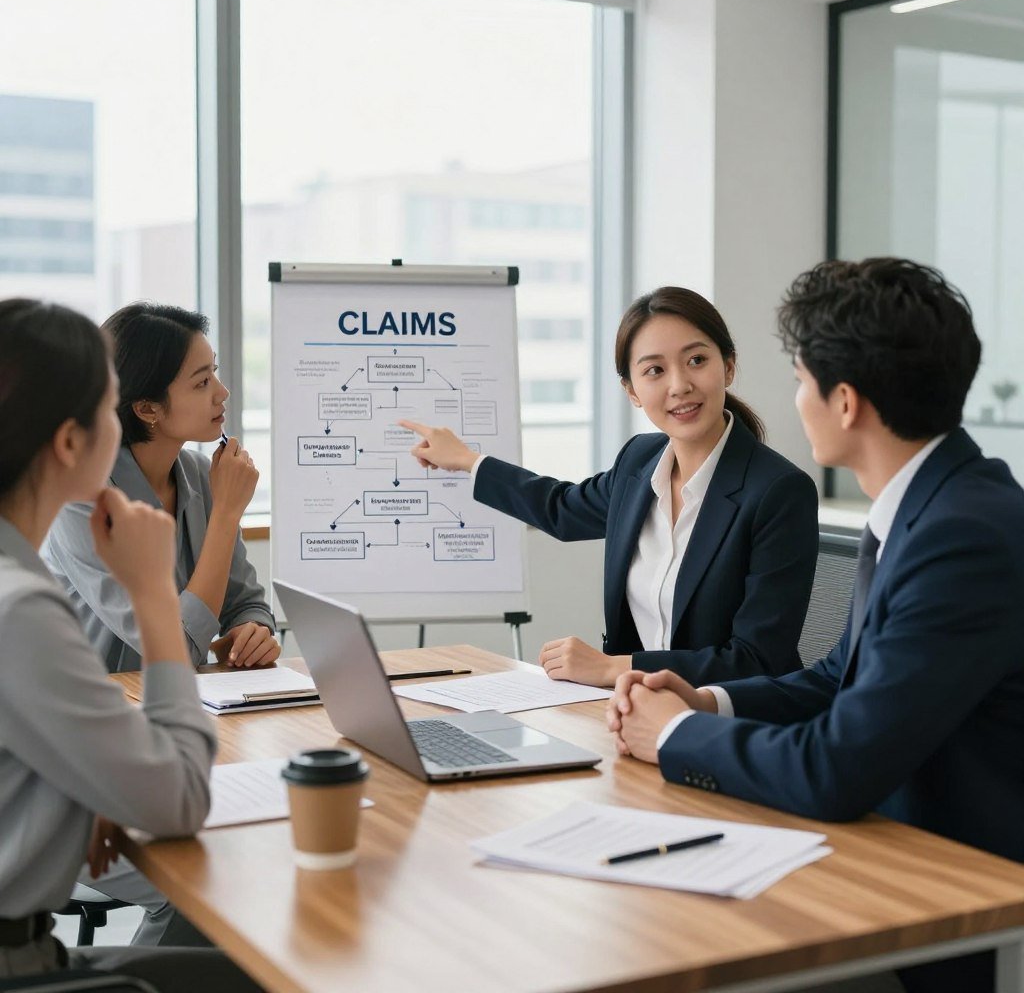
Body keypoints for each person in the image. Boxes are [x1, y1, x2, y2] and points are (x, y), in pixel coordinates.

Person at [607, 259, 1024, 993]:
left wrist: (671, 736)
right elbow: (841, 677)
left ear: (846, 402)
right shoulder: (925, 504)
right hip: (901, 865)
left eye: (801, 381)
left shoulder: (965, 535)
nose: (794, 401)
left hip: (961, 905)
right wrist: (708, 703)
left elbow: (836, 767)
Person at [0, 297, 261, 991]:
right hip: (17, 965)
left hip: (45, 904)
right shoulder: (20, 607)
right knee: (255, 948)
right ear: (68, 442)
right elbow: (178, 795)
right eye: (108, 406)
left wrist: (77, 788)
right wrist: (151, 593)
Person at [402, 286, 818, 689]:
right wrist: (468, 462)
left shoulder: (778, 492)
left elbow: (756, 660)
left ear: (727, 366)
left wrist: (612, 668)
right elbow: (562, 509)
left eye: (696, 360)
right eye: (655, 370)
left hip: (735, 726)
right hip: (635, 715)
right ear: (632, 391)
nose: (678, 385)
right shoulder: (638, 462)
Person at [44, 300, 279, 674]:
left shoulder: (204, 475)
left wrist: (252, 631)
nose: (222, 392)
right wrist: (226, 514)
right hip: (92, 714)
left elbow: (244, 602)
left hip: (181, 704)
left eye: (214, 373)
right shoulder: (80, 500)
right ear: (147, 408)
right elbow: (175, 650)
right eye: (202, 382)